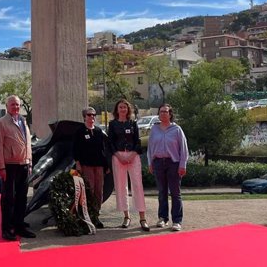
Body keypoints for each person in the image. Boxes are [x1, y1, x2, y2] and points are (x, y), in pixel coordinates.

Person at [0, 95, 35, 240]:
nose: (16, 107)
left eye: (17, 105)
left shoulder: (23, 120)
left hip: (24, 165)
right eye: (13, 105)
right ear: (7, 106)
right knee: (8, 198)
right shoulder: (2, 122)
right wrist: (1, 167)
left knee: (22, 198)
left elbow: (28, 143)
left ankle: (19, 225)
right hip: (9, 166)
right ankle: (7, 229)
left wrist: (29, 161)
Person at [108, 99, 150, 232]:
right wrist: (118, 155)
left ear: (128, 109)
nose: (123, 109)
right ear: (117, 109)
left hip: (133, 156)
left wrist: (132, 154)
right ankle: (126, 217)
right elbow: (110, 142)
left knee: (137, 185)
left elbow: (138, 141)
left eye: (125, 107)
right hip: (118, 156)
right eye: (120, 107)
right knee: (121, 186)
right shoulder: (112, 124)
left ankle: (142, 218)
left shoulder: (133, 123)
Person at [147, 104, 189, 232]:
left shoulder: (176, 129)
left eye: (166, 112)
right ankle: (162, 218)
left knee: (175, 193)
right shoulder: (154, 129)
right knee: (162, 192)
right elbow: (150, 148)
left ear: (170, 114)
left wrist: (183, 165)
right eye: (161, 112)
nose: (163, 114)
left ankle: (177, 221)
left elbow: (184, 149)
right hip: (158, 163)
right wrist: (150, 163)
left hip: (173, 163)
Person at [72, 107, 110, 228]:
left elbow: (102, 150)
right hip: (86, 165)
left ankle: (96, 215)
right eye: (89, 115)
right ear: (84, 117)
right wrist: (78, 163)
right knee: (90, 190)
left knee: (99, 191)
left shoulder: (99, 131)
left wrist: (106, 165)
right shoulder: (79, 131)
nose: (92, 117)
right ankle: (87, 216)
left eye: (94, 115)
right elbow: (75, 149)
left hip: (98, 166)